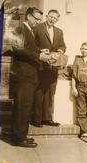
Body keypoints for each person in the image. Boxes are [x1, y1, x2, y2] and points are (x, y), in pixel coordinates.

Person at [11, 7, 49, 147]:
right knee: (22, 106)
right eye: (36, 19)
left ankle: (22, 135)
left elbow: (28, 48)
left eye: (40, 20)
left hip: (29, 75)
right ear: (28, 16)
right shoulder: (20, 29)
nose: (38, 22)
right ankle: (18, 138)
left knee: (26, 106)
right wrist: (38, 55)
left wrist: (40, 51)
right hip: (23, 75)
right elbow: (18, 48)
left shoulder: (30, 30)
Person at [32, 9, 66, 127]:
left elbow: (62, 45)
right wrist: (40, 51)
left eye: (55, 18)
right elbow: (31, 45)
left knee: (50, 92)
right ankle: (36, 119)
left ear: (57, 19)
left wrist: (61, 50)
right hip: (40, 65)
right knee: (39, 92)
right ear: (46, 16)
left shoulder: (59, 31)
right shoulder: (37, 28)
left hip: (53, 67)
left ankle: (47, 118)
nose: (52, 19)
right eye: (50, 17)